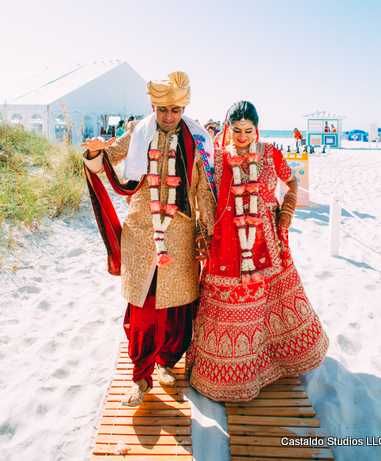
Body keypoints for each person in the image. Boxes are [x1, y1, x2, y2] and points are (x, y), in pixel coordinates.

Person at [81, 72, 216, 407]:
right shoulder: (138, 133)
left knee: (176, 306)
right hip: (142, 230)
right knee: (142, 305)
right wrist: (95, 152)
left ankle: (167, 363)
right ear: (153, 107)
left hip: (181, 231)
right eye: (162, 109)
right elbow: (105, 162)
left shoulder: (198, 140)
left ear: (183, 107)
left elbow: (202, 188)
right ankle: (141, 377)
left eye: (175, 109)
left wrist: (208, 233)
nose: (168, 116)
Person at [187, 101, 329, 402]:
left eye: (248, 130)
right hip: (226, 241)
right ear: (228, 128)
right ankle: (229, 375)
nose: (242, 136)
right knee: (230, 305)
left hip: (266, 239)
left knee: (265, 303)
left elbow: (292, 182)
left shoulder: (270, 153)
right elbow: (203, 194)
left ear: (257, 128)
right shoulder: (218, 158)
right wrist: (204, 233)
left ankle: (271, 362)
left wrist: (287, 212)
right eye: (236, 130)